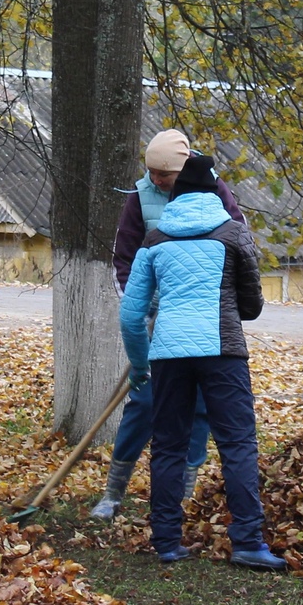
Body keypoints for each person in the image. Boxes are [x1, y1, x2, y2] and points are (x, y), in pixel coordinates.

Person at [117, 153, 284, 570]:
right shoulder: (233, 234)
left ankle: (167, 541)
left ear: (177, 194)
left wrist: (140, 366)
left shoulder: (155, 240)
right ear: (214, 192)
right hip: (222, 352)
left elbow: (131, 314)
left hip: (170, 355)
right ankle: (247, 541)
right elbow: (253, 306)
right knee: (238, 445)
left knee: (169, 446)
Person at [92, 128, 240, 520]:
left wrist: (224, 305)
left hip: (209, 319)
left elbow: (240, 248)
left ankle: (183, 498)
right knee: (143, 402)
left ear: (183, 168)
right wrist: (143, 306)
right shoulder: (141, 197)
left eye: (164, 174)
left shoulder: (216, 191)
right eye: (151, 172)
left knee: (200, 411)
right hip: (160, 318)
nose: (156, 180)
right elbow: (124, 258)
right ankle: (112, 495)